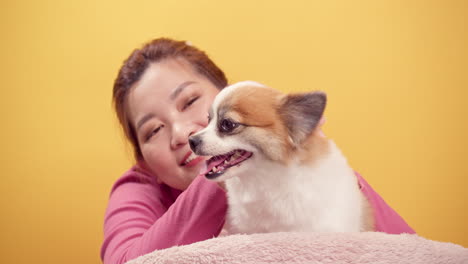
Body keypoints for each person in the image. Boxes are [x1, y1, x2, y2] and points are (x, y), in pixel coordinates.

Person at [101, 38, 415, 264]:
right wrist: (225, 174)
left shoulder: (307, 165)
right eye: (153, 130)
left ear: (226, 93)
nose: (183, 133)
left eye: (189, 102)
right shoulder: (140, 189)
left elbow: (411, 250)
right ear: (142, 159)